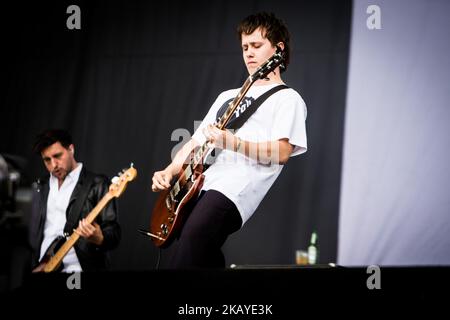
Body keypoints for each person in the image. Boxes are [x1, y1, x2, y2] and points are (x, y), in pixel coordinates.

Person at [151, 12, 307, 268]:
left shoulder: (288, 99)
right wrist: (169, 171)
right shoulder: (228, 95)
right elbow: (195, 142)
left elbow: (281, 153)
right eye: (245, 47)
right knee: (199, 252)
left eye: (256, 46)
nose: (248, 53)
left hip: (235, 190)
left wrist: (232, 142)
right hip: (200, 184)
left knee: (194, 238)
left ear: (278, 48)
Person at [29, 129, 121, 272]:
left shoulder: (97, 184)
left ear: (71, 149)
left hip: (78, 270)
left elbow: (114, 234)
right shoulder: (41, 186)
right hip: (43, 267)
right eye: (47, 160)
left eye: (57, 156)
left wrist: (99, 238)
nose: (53, 165)